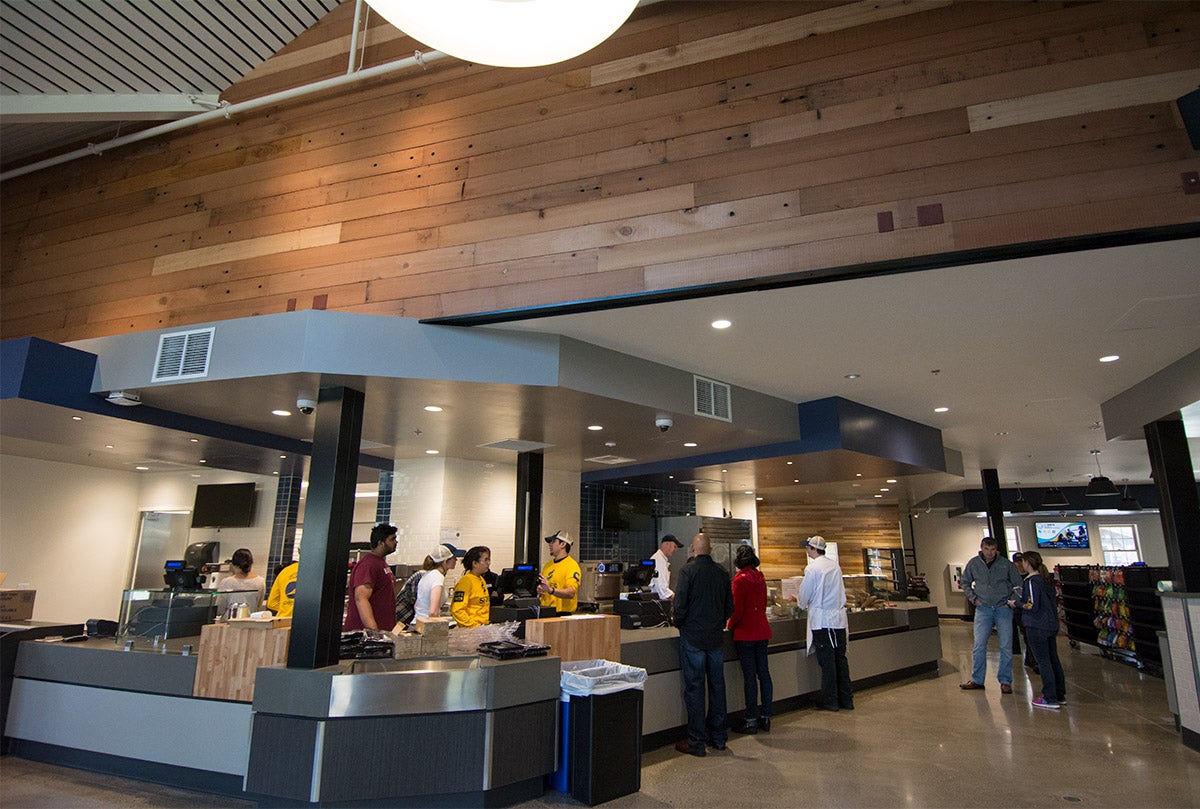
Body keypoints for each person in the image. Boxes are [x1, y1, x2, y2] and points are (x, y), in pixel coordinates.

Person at [672, 532, 733, 757]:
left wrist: (680, 624)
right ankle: (719, 737)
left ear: (694, 549)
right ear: (710, 548)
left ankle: (697, 741)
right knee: (718, 686)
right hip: (716, 638)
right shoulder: (722, 573)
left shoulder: (687, 572)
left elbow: (679, 605)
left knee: (695, 688)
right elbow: (729, 607)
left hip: (693, 638)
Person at [797, 535, 853, 711]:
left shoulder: (813, 569)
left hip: (823, 622)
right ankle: (846, 700)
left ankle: (830, 701)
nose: (806, 550)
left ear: (813, 549)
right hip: (839, 620)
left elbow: (805, 595)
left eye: (808, 547)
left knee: (827, 663)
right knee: (840, 660)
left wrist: (799, 602)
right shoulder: (835, 566)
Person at [959, 536, 1022, 692]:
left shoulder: (1006, 564)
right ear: (981, 548)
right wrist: (974, 599)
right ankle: (977, 680)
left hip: (1003, 608)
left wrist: (1011, 602)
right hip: (983, 609)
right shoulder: (974, 564)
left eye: (992, 549)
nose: (989, 553)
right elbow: (965, 582)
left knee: (1006, 645)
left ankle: (1005, 681)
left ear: (996, 549)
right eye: (986, 549)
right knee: (979, 645)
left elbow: (1018, 585)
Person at [728, 544, 773, 734]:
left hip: (745, 633)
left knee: (749, 677)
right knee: (764, 673)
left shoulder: (740, 580)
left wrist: (730, 625)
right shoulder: (760, 577)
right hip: (762, 630)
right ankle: (766, 716)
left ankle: (750, 719)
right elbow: (762, 604)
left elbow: (736, 610)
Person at [1020, 550, 1066, 709]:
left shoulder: (1032, 581)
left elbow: (1031, 605)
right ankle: (1060, 694)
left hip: (1037, 625)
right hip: (1050, 624)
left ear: (1027, 563)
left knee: (1044, 661)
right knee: (1053, 659)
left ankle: (1049, 697)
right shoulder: (1047, 580)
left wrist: (1017, 603)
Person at [343, 523, 399, 632]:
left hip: (383, 631)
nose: (396, 542)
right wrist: (373, 632)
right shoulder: (368, 565)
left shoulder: (381, 562)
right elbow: (361, 598)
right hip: (364, 636)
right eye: (392, 539)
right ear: (381, 543)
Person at [415, 543, 464, 622]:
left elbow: (416, 605)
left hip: (417, 622)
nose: (456, 560)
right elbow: (433, 612)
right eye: (454, 558)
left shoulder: (427, 574)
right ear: (445, 561)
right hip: (426, 625)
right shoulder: (437, 577)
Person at [537, 530, 581, 615]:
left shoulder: (571, 566)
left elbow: (571, 592)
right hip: (545, 611)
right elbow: (545, 588)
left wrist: (551, 590)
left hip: (562, 614)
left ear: (563, 544)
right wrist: (540, 590)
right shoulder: (548, 566)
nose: (550, 544)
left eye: (553, 541)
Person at [451, 545, 492, 628]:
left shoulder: (481, 579)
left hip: (483, 627)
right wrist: (472, 625)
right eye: (485, 560)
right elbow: (457, 610)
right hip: (471, 630)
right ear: (475, 563)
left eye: (489, 560)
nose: (488, 563)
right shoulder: (466, 582)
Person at [649, 533, 683, 600]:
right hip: (657, 602)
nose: (675, 550)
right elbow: (662, 590)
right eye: (674, 547)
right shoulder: (659, 560)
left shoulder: (660, 559)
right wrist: (678, 598)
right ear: (667, 544)